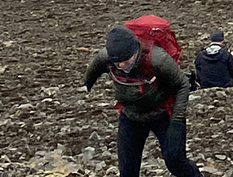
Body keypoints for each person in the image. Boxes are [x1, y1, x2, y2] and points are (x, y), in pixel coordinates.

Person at [83, 24, 201, 177]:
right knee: (127, 170)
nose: (122, 66)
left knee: (175, 162)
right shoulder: (107, 57)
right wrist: (87, 84)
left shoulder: (158, 59)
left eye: (127, 61)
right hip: (131, 116)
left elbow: (182, 85)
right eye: (118, 63)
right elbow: (94, 68)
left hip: (163, 115)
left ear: (135, 50)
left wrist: (177, 123)